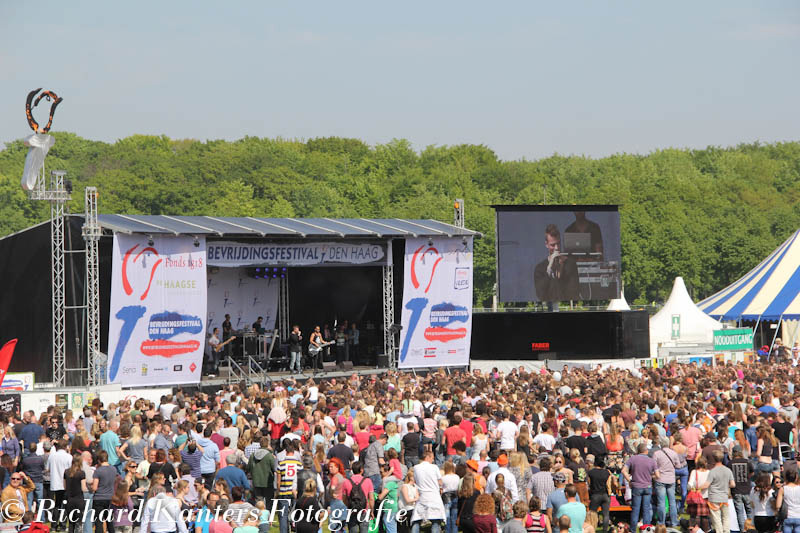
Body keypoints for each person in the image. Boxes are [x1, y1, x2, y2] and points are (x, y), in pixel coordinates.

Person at [533, 224, 579, 303]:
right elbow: (540, 295)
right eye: (552, 245)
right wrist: (549, 270)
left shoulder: (571, 264)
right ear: (546, 244)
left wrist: (561, 271)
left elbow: (574, 294)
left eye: (558, 243)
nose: (556, 248)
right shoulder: (540, 268)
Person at [622, 442, 656, 532]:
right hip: (647, 486)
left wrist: (629, 480)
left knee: (635, 509)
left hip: (636, 486)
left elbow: (623, 470)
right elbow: (657, 474)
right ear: (646, 450)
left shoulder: (633, 459)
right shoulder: (651, 460)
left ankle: (633, 530)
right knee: (646, 509)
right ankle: (646, 529)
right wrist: (651, 477)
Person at [700, 449, 735, 533]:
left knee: (716, 519)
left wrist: (697, 487)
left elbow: (706, 485)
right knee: (726, 518)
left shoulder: (712, 471)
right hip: (724, 497)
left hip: (714, 497)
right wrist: (725, 485)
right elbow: (733, 484)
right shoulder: (728, 470)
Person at [411, 450, 446, 533]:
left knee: (416, 519)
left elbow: (415, 480)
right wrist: (441, 487)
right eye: (432, 458)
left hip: (422, 496)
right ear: (427, 457)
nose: (433, 460)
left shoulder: (416, 467)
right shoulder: (434, 467)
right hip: (434, 496)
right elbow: (440, 482)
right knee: (435, 521)